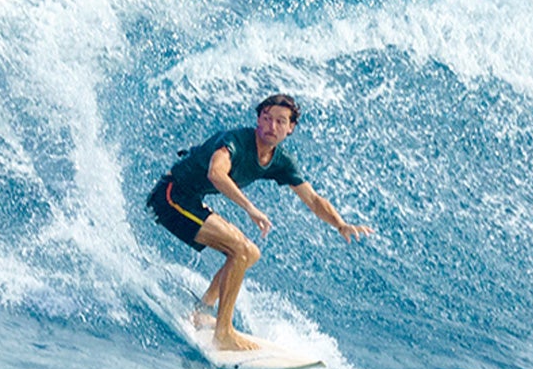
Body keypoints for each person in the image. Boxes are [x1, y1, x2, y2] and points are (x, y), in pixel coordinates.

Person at [147, 94, 373, 351]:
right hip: (170, 196)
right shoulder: (234, 142)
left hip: (190, 199)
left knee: (249, 253)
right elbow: (216, 173)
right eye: (266, 119)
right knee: (241, 250)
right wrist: (250, 208)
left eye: (280, 121)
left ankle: (202, 311)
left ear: (291, 127)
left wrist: (340, 224)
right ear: (258, 120)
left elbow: (313, 199)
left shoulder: (280, 160)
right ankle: (224, 333)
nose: (271, 126)